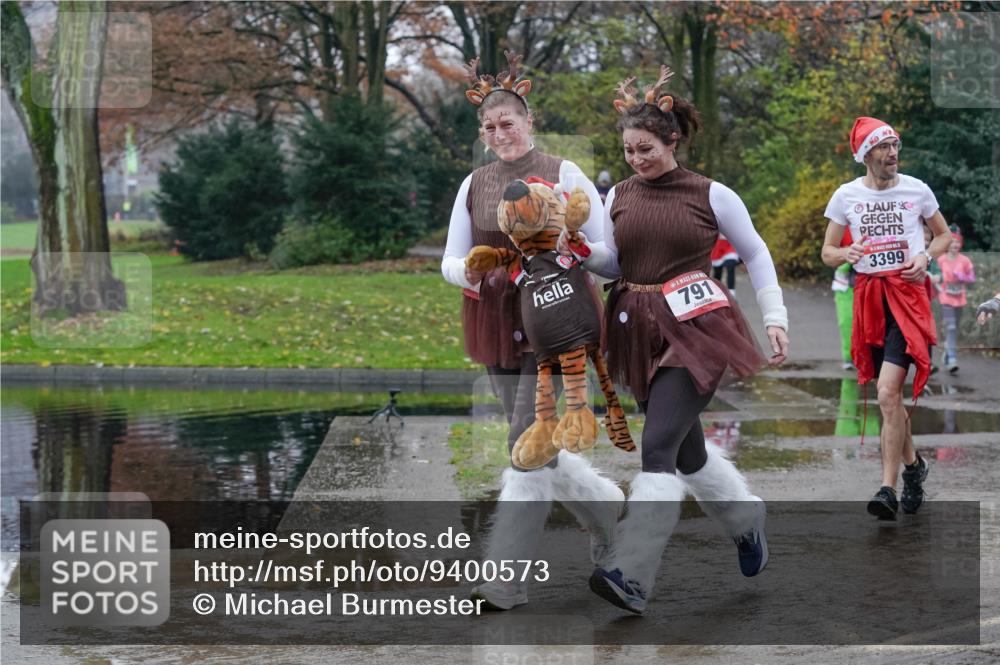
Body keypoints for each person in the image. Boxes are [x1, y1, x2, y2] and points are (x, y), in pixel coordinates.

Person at [564, 67, 789, 614]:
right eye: (628, 150)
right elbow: (615, 260)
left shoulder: (712, 194)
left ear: (672, 139)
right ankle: (745, 519)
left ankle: (631, 571)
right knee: (685, 452)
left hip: (696, 328)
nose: (636, 159)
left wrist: (776, 315)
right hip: (635, 328)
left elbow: (755, 253)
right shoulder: (616, 194)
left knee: (658, 446)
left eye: (645, 148)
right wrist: (581, 250)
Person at [440, 51, 624, 610]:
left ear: (529, 121)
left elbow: (610, 256)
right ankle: (607, 511)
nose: (499, 134)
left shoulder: (565, 172)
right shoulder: (474, 184)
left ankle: (505, 579)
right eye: (489, 127)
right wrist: (468, 271)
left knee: (526, 445)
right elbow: (449, 259)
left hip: (558, 318)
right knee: (534, 447)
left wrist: (579, 249)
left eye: (508, 123)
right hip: (496, 319)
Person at [821, 116, 951, 520]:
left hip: (907, 298)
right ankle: (915, 467)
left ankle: (887, 487)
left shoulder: (917, 190)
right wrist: (847, 254)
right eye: (883, 147)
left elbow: (944, 236)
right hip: (870, 300)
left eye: (895, 146)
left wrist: (925, 256)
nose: (892, 153)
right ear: (866, 154)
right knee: (889, 398)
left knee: (887, 393)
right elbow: (827, 252)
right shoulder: (845, 196)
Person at [936, 229, 976, 372]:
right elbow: (934, 276)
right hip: (945, 299)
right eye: (952, 242)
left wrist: (963, 277)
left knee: (954, 330)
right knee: (951, 327)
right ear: (948, 244)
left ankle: (947, 352)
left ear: (960, 244)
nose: (955, 244)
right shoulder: (941, 260)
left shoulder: (965, 260)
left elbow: (972, 279)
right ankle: (952, 358)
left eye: (957, 242)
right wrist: (939, 286)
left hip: (960, 300)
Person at [832, 229, 858, 370]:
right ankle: (849, 358)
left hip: (870, 279)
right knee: (847, 322)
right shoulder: (841, 223)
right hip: (845, 284)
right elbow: (830, 252)